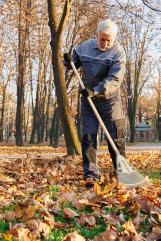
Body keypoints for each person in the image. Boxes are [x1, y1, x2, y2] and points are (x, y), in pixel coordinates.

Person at [64, 19, 126, 184]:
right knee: (89, 137)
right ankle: (91, 174)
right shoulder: (84, 47)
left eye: (108, 40)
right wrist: (68, 60)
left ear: (114, 39)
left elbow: (115, 79)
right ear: (97, 35)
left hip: (109, 102)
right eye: (102, 39)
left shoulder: (118, 53)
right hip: (88, 102)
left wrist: (96, 90)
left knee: (115, 137)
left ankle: (122, 172)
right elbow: (73, 64)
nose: (105, 43)